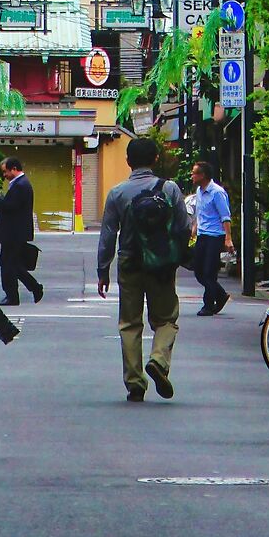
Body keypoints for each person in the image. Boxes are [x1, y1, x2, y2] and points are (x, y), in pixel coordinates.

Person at [96, 135, 191, 404]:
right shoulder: (170, 189)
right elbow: (183, 226)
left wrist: (102, 270)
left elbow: (107, 234)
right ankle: (158, 361)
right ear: (156, 159)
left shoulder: (117, 193)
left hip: (129, 261)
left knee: (130, 323)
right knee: (166, 319)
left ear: (128, 161)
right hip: (161, 263)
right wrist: (177, 253)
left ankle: (135, 383)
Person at [0, 157, 44, 306]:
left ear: (14, 168)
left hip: (14, 233)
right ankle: (27, 290)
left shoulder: (21, 186)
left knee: (8, 264)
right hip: (14, 232)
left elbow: (11, 206)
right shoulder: (20, 184)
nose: (4, 175)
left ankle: (17, 294)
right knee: (10, 264)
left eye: (5, 171)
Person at [188, 159, 233, 316]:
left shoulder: (217, 192)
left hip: (215, 236)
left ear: (203, 175)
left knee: (209, 272)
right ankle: (220, 295)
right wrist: (194, 229)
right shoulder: (200, 191)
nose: (191, 176)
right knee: (198, 270)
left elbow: (225, 216)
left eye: (194, 173)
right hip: (202, 235)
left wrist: (228, 238)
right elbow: (200, 214)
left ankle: (209, 304)